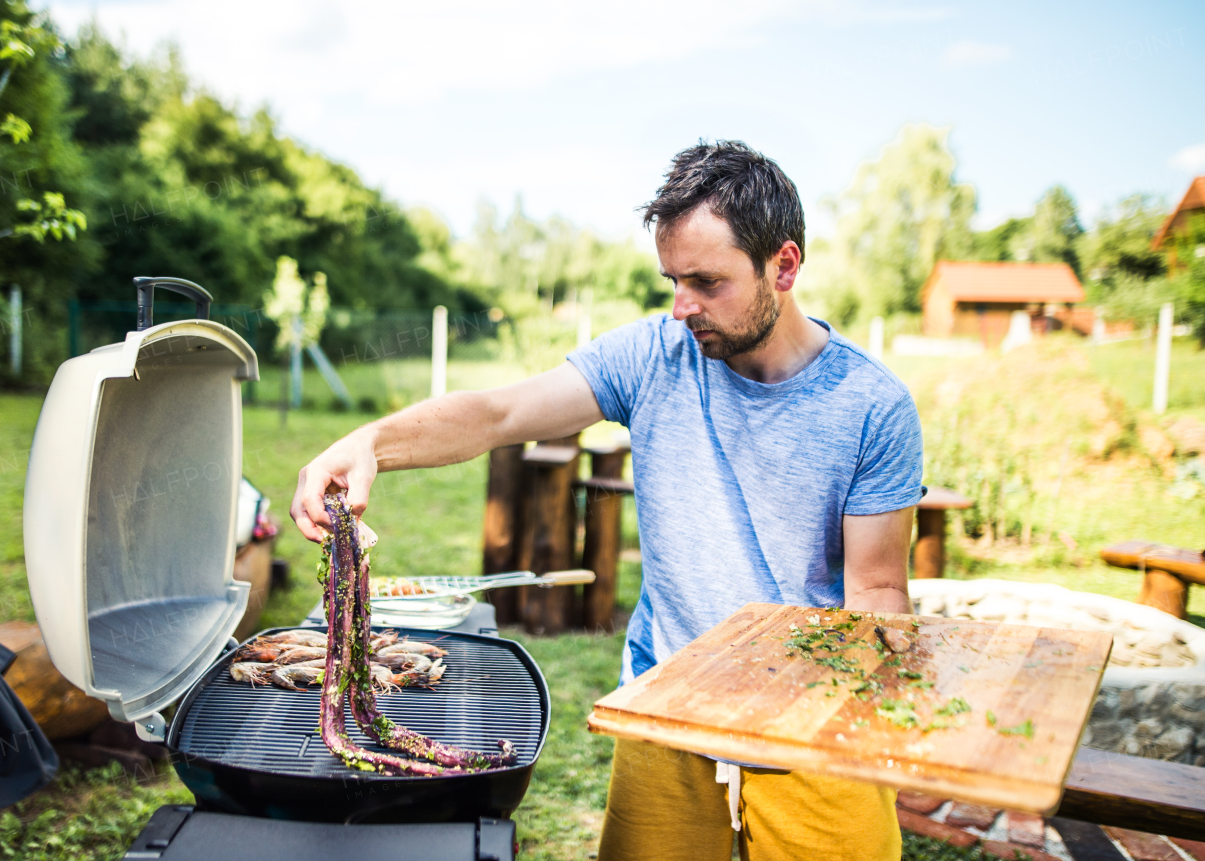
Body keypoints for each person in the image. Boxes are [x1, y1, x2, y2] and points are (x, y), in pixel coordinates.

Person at [291, 140, 922, 861]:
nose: (683, 307)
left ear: (783, 265)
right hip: (667, 706)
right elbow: (499, 414)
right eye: (672, 280)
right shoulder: (654, 353)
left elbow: (875, 587)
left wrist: (894, 717)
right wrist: (373, 440)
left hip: (816, 727)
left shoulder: (873, 406)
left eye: (708, 282)